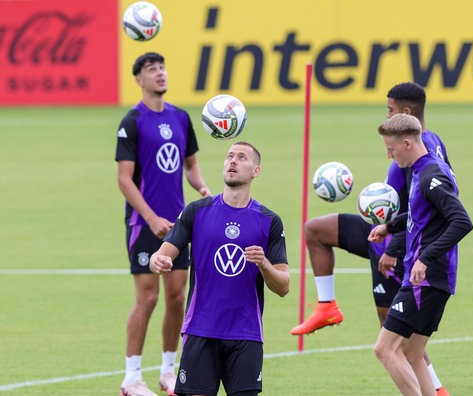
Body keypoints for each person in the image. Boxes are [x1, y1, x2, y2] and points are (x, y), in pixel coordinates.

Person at [290, 82, 454, 395]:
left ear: (405, 114)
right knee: (316, 230)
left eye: (389, 109)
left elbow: (421, 206)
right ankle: (327, 306)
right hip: (385, 234)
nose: (386, 114)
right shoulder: (433, 143)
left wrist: (393, 247)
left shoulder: (417, 159)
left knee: (393, 339)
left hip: (397, 248)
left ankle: (436, 388)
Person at [149, 141, 290, 396]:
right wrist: (158, 260)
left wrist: (264, 263)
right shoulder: (196, 211)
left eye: (242, 157)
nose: (233, 161)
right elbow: (161, 254)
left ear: (256, 171)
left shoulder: (269, 221)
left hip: (245, 333)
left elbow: (283, 286)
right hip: (200, 330)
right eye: (229, 156)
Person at [116, 52, 211, 396]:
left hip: (178, 222)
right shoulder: (132, 121)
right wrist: (151, 218)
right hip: (144, 225)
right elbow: (125, 180)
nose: (159, 73)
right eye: (151, 69)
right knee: (148, 297)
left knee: (175, 297)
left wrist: (200, 185)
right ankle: (131, 378)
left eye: (162, 67)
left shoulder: (181, 118)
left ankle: (168, 372)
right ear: (139, 79)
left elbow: (189, 164)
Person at [369, 113, 473, 395]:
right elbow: (421, 213)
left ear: (406, 143)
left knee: (385, 349)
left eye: (391, 149)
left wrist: (425, 259)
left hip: (425, 279)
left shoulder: (431, 176)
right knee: (412, 353)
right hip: (433, 279)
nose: (389, 155)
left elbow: (462, 221)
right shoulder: (421, 170)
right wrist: (389, 227)